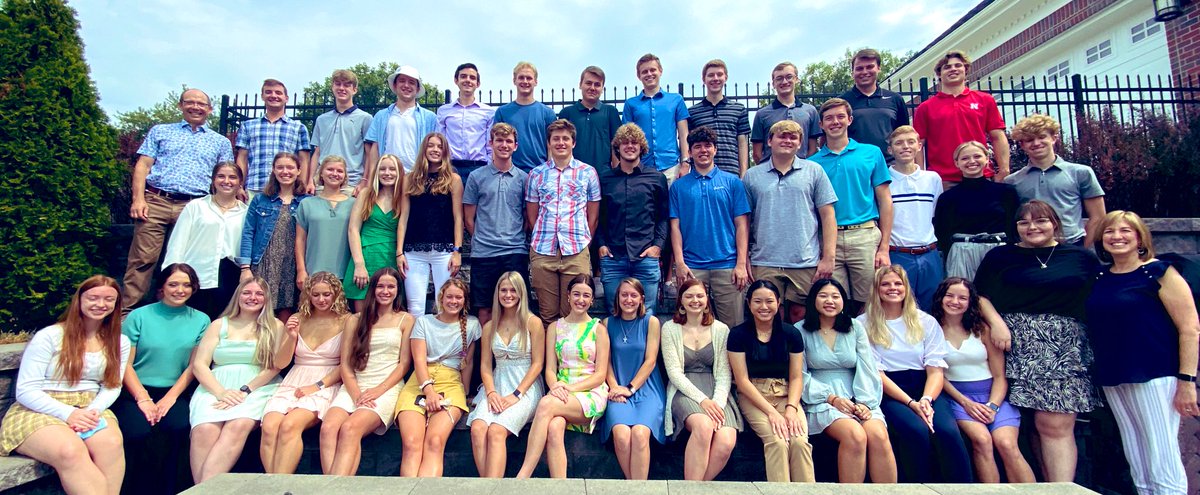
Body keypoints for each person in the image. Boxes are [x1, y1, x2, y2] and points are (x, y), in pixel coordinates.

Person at [973, 200, 1101, 482]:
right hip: (1013, 343)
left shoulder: (1079, 257)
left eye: (1040, 220)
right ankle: (1044, 485)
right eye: (1024, 222)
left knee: (1054, 422)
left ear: (1055, 223)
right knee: (1033, 422)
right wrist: (997, 323)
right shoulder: (1001, 256)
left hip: (1063, 349)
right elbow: (979, 295)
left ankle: (1061, 488)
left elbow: (1101, 297)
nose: (1032, 227)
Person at [1086, 210, 1199, 495]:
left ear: (1140, 238)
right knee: (1136, 454)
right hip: (1115, 374)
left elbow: (1190, 329)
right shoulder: (1100, 277)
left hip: (1155, 373)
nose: (1117, 236)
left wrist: (1187, 381)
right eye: (1109, 231)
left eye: (1126, 230)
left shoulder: (1159, 272)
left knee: (1161, 453)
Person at [0, 275, 130, 495]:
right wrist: (69, 414)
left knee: (111, 443)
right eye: (93, 298)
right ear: (79, 300)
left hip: (90, 407)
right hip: (40, 408)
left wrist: (91, 411)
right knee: (70, 451)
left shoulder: (119, 341)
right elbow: (26, 390)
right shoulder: (50, 336)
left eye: (109, 299)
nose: (101, 304)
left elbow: (112, 385)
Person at [858, 265, 971, 483]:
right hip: (889, 390)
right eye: (885, 284)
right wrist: (911, 404)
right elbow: (876, 373)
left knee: (946, 430)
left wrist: (926, 400)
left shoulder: (925, 321)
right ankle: (916, 487)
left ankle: (961, 488)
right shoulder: (863, 323)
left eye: (898, 283)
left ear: (906, 288)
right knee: (915, 429)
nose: (893, 288)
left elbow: (935, 370)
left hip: (925, 387)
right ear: (877, 289)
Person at [123, 88, 233, 311]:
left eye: (201, 104)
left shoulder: (219, 142)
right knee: (143, 259)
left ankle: (178, 310)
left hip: (195, 205)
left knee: (186, 261)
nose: (196, 107)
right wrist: (138, 199)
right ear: (180, 105)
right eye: (190, 102)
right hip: (157, 201)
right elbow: (143, 165)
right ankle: (128, 314)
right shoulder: (161, 131)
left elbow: (225, 173)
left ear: (210, 109)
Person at [113, 264, 210, 495]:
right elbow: (124, 364)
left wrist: (170, 398)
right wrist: (143, 398)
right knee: (138, 431)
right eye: (173, 284)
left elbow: (193, 366)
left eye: (186, 285)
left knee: (178, 426)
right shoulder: (139, 316)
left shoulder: (201, 320)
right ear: (162, 287)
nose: (180, 290)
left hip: (175, 391)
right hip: (135, 389)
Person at [932, 278, 1035, 483]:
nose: (955, 301)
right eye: (950, 295)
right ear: (940, 298)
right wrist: (966, 403)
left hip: (993, 396)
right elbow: (938, 375)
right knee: (982, 440)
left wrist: (993, 406)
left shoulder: (982, 330)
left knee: (1007, 444)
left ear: (970, 302)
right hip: (958, 398)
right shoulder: (932, 331)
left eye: (962, 298)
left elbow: (999, 376)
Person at [798, 278, 896, 483]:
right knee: (855, 435)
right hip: (820, 400)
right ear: (813, 300)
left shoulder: (855, 327)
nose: (830, 301)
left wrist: (864, 403)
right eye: (823, 296)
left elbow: (867, 367)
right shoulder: (800, 330)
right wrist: (831, 398)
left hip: (858, 396)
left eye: (835, 296)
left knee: (878, 435)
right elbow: (799, 375)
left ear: (843, 301)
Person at [188, 276, 282, 483]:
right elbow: (200, 364)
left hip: (257, 386)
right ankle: (203, 489)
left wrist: (245, 390)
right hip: (216, 385)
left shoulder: (275, 325)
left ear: (267, 298)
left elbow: (275, 366)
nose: (252, 297)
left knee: (238, 425)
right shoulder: (218, 324)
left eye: (259, 294)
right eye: (246, 293)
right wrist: (221, 392)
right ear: (237, 296)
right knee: (204, 429)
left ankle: (202, 491)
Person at [321, 268, 414, 475]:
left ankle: (332, 487)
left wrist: (377, 391)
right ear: (373, 289)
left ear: (398, 290)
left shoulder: (406, 320)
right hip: (354, 385)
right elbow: (346, 364)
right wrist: (356, 394)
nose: (385, 291)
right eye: (380, 286)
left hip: (386, 388)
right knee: (328, 429)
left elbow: (404, 364)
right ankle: (333, 485)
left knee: (349, 429)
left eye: (391, 287)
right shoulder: (355, 319)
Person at [742, 119, 837, 323]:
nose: (787, 140)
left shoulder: (814, 171)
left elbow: (828, 215)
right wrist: (744, 259)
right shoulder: (752, 176)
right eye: (782, 136)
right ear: (769, 141)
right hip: (764, 259)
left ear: (800, 143)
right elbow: (744, 220)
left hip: (804, 259)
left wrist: (828, 257)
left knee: (800, 316)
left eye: (793, 137)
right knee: (769, 317)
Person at [516, 275, 611, 479]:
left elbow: (600, 375)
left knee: (545, 404)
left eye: (586, 295)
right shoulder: (554, 327)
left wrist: (569, 389)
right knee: (554, 427)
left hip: (589, 393)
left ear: (592, 300)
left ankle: (523, 476)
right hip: (561, 393)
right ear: (568, 296)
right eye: (576, 294)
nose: (580, 300)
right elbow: (550, 369)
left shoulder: (599, 329)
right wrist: (555, 386)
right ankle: (560, 485)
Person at [260, 272, 349, 474]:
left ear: (336, 294)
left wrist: (316, 386)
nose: (321, 299)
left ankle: (278, 484)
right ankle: (273, 483)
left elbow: (346, 364)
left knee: (290, 425)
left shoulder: (346, 320)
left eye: (326, 294)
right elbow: (281, 363)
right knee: (270, 426)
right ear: (308, 295)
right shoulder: (297, 318)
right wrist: (291, 337)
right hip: (295, 377)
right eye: (316, 295)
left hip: (326, 381)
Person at [809, 98, 893, 311]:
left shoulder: (871, 153)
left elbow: (885, 200)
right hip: (828, 239)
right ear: (821, 124)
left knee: (871, 302)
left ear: (850, 120)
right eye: (829, 118)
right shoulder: (812, 164)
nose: (835, 122)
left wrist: (884, 247)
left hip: (864, 235)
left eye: (840, 116)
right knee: (833, 302)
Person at [728, 280, 814, 483]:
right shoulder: (738, 335)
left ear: (778, 303)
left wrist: (791, 409)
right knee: (777, 441)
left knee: (799, 441)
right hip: (754, 395)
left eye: (769, 301)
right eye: (757, 301)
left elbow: (796, 377)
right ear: (749, 304)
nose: (764, 307)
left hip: (786, 394)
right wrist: (772, 413)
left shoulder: (791, 334)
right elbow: (742, 381)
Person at [396, 279, 481, 477]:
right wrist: (429, 391)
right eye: (449, 296)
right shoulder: (424, 322)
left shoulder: (472, 325)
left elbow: (467, 363)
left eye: (458, 297)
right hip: (420, 382)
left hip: (451, 382)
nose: (454, 301)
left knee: (435, 441)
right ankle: (408, 488)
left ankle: (427, 488)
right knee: (411, 443)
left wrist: (465, 393)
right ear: (441, 298)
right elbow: (418, 361)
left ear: (465, 301)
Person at [660, 279, 742, 481]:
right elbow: (674, 373)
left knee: (726, 441)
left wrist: (717, 404)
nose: (694, 300)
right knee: (704, 426)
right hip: (684, 390)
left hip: (716, 391)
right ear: (681, 301)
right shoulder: (669, 328)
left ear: (707, 300)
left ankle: (696, 487)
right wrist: (703, 401)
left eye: (699, 296)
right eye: (689, 296)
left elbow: (724, 373)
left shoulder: (721, 330)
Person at [670, 126, 751, 325]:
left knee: (733, 327)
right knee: (691, 326)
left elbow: (742, 225)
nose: (703, 150)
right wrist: (679, 263)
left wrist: (741, 264)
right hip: (692, 267)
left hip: (727, 266)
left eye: (708, 146)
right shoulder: (679, 186)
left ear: (715, 149)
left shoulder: (733, 182)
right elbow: (675, 227)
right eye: (697, 146)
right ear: (690, 152)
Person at [467, 272, 545, 478]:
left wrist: (516, 394)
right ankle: (489, 487)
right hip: (497, 383)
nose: (508, 295)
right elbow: (485, 365)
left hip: (525, 386)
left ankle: (493, 487)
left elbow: (538, 364)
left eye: (513, 290)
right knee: (477, 429)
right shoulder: (490, 326)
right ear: (497, 293)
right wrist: (491, 392)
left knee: (496, 431)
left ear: (521, 293)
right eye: (503, 290)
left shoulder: (533, 323)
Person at [525, 119, 601, 325]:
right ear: (549, 143)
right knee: (548, 314)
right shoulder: (536, 174)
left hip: (576, 250)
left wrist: (585, 241)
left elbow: (593, 215)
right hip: (543, 250)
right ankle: (550, 348)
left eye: (565, 139)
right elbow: (532, 215)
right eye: (556, 139)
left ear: (573, 143)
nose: (561, 143)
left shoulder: (588, 172)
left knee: (574, 313)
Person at [597, 124, 668, 315]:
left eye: (634, 142)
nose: (630, 146)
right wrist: (601, 245)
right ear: (617, 147)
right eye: (625, 142)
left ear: (641, 147)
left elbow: (663, 217)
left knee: (647, 314)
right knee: (614, 313)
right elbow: (598, 216)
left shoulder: (656, 178)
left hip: (646, 257)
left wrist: (657, 247)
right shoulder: (605, 179)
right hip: (613, 258)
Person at [464, 124, 530, 328]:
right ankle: (486, 348)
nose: (504, 145)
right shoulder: (476, 177)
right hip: (484, 253)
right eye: (499, 140)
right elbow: (469, 218)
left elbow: (527, 216)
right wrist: (484, 238)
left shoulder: (524, 178)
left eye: (509, 141)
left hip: (515, 251)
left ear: (516, 146)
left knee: (516, 305)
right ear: (490, 143)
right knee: (484, 308)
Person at [1006, 114, 1106, 247]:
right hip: (1031, 248)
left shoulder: (1080, 173)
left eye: (1042, 137)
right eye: (1029, 140)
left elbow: (1098, 216)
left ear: (1054, 138)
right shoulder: (1012, 181)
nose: (1036, 143)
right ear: (1022, 145)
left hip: (1072, 244)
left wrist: (1083, 250)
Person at [163, 162, 247, 319]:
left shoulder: (246, 213)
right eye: (221, 176)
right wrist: (172, 275)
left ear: (240, 182)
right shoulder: (196, 206)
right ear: (213, 180)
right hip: (195, 274)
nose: (226, 181)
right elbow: (177, 243)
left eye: (232, 177)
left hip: (228, 278)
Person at [912, 50, 1009, 185]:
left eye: (958, 65)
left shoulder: (985, 100)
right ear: (939, 74)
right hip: (942, 179)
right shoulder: (925, 108)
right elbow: (918, 145)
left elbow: (998, 136)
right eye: (947, 67)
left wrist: (1004, 169)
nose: (953, 69)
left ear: (966, 70)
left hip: (980, 175)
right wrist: (920, 176)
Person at [602, 278, 666, 480]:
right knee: (621, 435)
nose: (628, 299)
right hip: (617, 389)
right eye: (624, 295)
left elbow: (651, 360)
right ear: (617, 297)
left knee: (640, 434)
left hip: (646, 389)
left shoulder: (651, 322)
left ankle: (637, 488)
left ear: (642, 299)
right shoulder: (607, 324)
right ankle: (634, 487)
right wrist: (614, 388)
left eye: (633, 295)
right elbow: (605, 362)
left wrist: (630, 388)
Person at [397, 133, 464, 317]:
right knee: (415, 308)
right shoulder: (409, 179)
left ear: (445, 151)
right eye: (431, 146)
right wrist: (399, 252)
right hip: (414, 251)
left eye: (440, 147)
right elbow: (404, 217)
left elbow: (458, 218)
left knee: (444, 306)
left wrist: (457, 251)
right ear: (424, 149)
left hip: (444, 250)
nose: (435, 150)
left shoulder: (453, 179)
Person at [933, 141, 1020, 281]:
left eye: (977, 156)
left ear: (987, 159)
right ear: (957, 163)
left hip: (999, 252)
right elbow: (942, 231)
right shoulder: (947, 198)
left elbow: (1014, 226)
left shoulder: (1005, 192)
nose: (972, 161)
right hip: (962, 254)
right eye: (965, 158)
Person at [238, 152, 309, 320]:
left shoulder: (307, 201)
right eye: (280, 167)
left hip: (292, 265)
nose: (285, 172)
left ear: (299, 170)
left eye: (290, 167)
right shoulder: (260, 199)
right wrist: (245, 268)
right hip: (264, 263)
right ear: (274, 170)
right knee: (259, 309)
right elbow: (248, 233)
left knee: (287, 313)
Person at [884, 126, 943, 311]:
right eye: (899, 143)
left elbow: (934, 214)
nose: (905, 147)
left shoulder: (932, 179)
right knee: (899, 308)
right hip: (897, 254)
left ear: (919, 146)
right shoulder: (883, 180)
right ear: (890, 149)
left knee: (932, 308)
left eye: (911, 142)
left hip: (929, 254)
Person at [344, 155, 403, 311]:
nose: (387, 173)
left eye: (392, 169)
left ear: (399, 172)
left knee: (390, 312)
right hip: (366, 256)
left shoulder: (403, 198)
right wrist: (359, 264)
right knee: (362, 315)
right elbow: (353, 229)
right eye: (382, 169)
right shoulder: (366, 194)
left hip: (391, 257)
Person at [235, 79, 311, 195]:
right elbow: (242, 158)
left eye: (278, 93)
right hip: (255, 188)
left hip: (286, 190)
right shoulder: (248, 126)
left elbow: (304, 160)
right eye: (268, 92)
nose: (273, 96)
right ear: (262, 96)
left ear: (286, 98)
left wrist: (301, 188)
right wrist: (239, 186)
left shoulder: (298, 128)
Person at [308, 69, 372, 195]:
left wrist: (364, 181)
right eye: (338, 84)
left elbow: (370, 154)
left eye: (347, 85)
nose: (342, 88)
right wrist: (310, 180)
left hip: (351, 184)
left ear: (354, 90)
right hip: (322, 183)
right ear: (332, 87)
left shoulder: (365, 118)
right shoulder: (322, 119)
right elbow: (317, 152)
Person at [840, 49, 910, 162]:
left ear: (878, 68)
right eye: (859, 68)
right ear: (852, 72)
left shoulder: (895, 99)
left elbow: (905, 134)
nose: (864, 72)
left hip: (889, 165)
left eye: (869, 67)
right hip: (854, 165)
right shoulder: (842, 102)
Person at [295, 156, 353, 292]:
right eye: (330, 169)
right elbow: (300, 240)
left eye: (340, 171)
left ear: (345, 176)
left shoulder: (354, 204)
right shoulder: (307, 204)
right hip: (314, 274)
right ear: (321, 173)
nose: (335, 173)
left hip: (346, 274)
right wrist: (301, 270)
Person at [622, 53, 689, 172]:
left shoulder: (676, 100)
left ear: (660, 71)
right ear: (639, 76)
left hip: (671, 166)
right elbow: (626, 138)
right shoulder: (631, 104)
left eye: (653, 70)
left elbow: (683, 134)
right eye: (644, 72)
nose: (649, 74)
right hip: (642, 168)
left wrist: (685, 163)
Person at [365, 66, 437, 174]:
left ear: (417, 88)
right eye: (402, 81)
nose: (406, 85)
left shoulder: (430, 118)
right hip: (388, 175)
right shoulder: (381, 116)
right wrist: (371, 178)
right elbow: (374, 149)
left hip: (417, 176)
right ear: (395, 85)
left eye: (411, 82)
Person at [687, 59, 751, 176]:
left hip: (731, 172)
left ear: (726, 78)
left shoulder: (739, 109)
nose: (715, 78)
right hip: (702, 174)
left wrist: (743, 174)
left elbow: (742, 144)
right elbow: (689, 144)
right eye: (711, 75)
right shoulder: (692, 112)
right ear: (704, 79)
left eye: (719, 74)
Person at [493, 62, 558, 171]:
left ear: (535, 81)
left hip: (540, 171)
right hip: (510, 173)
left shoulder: (547, 113)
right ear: (514, 80)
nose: (525, 81)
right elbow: (496, 144)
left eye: (529, 78)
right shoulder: (502, 112)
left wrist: (550, 172)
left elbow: (551, 146)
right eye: (521, 78)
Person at [751, 62, 821, 161]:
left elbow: (813, 149)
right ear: (773, 84)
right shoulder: (762, 114)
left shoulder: (810, 111)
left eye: (789, 77)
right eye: (779, 78)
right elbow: (757, 153)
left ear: (796, 79)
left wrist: (805, 167)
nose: (784, 81)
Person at [437, 63, 495, 179]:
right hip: (451, 168)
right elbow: (440, 141)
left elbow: (490, 145)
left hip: (479, 167)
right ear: (456, 80)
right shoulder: (444, 111)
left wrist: (488, 169)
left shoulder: (488, 112)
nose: (468, 80)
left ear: (478, 83)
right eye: (463, 76)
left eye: (472, 77)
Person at [558, 66, 622, 170]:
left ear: (602, 89)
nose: (592, 88)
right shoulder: (567, 113)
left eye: (597, 85)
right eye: (588, 83)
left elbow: (616, 146)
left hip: (603, 175)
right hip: (573, 174)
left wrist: (616, 173)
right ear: (580, 85)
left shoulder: (611, 112)